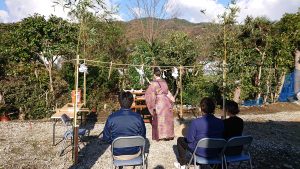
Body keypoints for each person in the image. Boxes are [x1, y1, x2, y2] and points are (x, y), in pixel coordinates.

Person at [174, 97, 224, 169]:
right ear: (213, 109)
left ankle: (182, 165)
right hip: (215, 151)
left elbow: (189, 140)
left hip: (200, 152)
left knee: (180, 140)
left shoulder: (196, 122)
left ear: (201, 108)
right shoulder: (221, 122)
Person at [103, 92, 146, 161]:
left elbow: (106, 138)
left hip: (117, 153)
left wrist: (116, 142)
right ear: (132, 102)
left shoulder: (111, 118)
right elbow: (143, 137)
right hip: (135, 153)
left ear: (119, 102)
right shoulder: (138, 118)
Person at [145, 67, 175, 141]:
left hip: (159, 102)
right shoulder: (164, 82)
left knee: (160, 119)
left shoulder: (153, 83)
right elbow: (168, 92)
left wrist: (151, 104)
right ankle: (168, 135)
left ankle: (161, 136)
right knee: (167, 118)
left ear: (154, 74)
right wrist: (172, 100)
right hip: (166, 101)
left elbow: (150, 95)